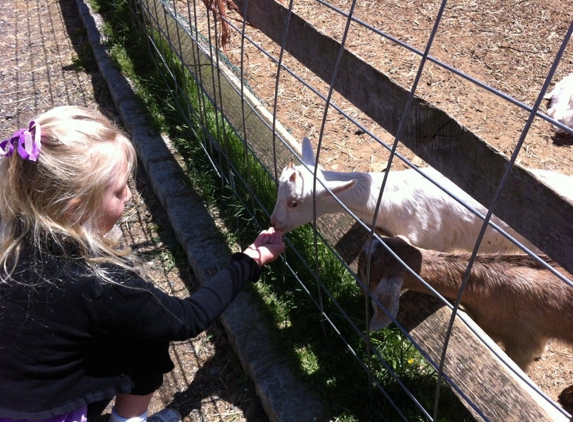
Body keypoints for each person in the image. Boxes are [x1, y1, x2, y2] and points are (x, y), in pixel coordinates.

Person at [0, 106, 285, 422]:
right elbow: (186, 319)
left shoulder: (9, 246)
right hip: (46, 415)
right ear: (76, 209)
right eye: (120, 189)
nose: (130, 197)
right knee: (147, 333)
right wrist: (250, 260)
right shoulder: (102, 284)